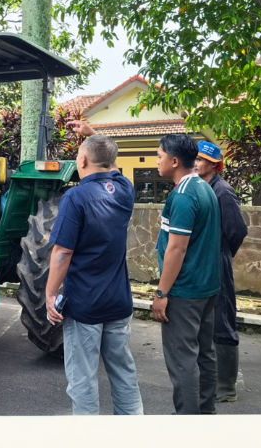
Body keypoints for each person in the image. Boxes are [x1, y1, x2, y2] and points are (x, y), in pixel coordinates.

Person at [45, 135, 143, 415]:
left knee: (83, 380)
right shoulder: (126, 190)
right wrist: (94, 135)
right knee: (124, 373)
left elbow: (62, 252)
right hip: (118, 303)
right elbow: (110, 161)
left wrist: (51, 293)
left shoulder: (76, 196)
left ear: (83, 160)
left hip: (85, 305)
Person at [152, 134, 221, 415]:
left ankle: (187, 422)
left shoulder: (182, 196)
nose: (157, 162)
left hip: (184, 291)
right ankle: (205, 414)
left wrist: (161, 292)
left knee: (183, 362)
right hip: (207, 288)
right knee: (205, 354)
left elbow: (176, 250)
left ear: (175, 160)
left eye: (159, 156)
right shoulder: (205, 188)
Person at [194, 140, 248, 403]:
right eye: (196, 158)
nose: (196, 163)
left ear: (215, 165)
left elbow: (238, 230)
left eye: (202, 160)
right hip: (209, 258)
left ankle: (226, 387)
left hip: (218, 259)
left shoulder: (222, 192)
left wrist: (222, 254)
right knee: (209, 318)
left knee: (222, 317)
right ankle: (214, 380)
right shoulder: (205, 188)